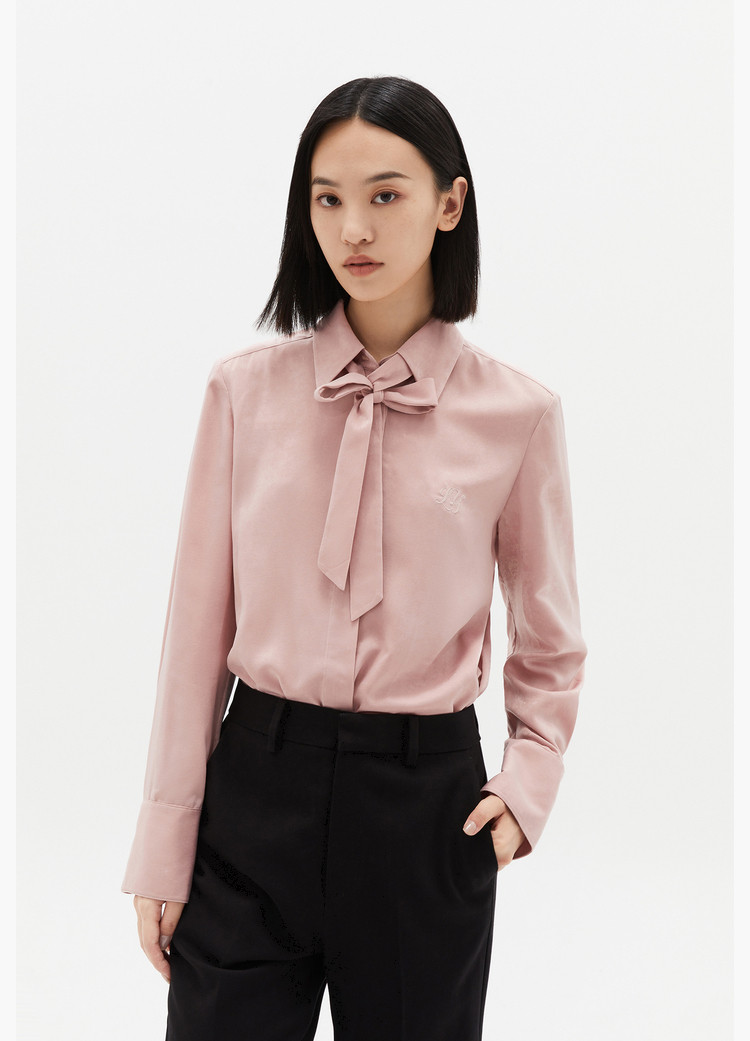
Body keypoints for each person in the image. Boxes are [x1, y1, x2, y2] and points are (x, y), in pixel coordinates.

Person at [121, 74, 587, 1041]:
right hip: (255, 790)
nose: (354, 229)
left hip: (425, 811)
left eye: (385, 194)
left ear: (449, 204)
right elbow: (194, 637)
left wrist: (526, 783)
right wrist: (165, 839)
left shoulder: (518, 416)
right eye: (327, 199)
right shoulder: (243, 395)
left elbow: (549, 640)